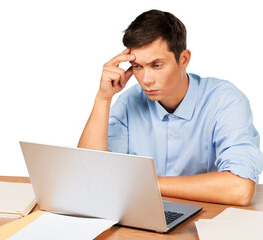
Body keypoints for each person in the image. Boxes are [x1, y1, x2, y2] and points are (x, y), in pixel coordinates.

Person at [78, 9, 263, 206]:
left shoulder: (225, 101)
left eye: (157, 65)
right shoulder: (129, 102)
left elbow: (240, 189)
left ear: (183, 59)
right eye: (138, 67)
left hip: (209, 222)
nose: (146, 80)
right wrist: (103, 98)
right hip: (144, 218)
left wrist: (146, 184)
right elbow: (89, 178)